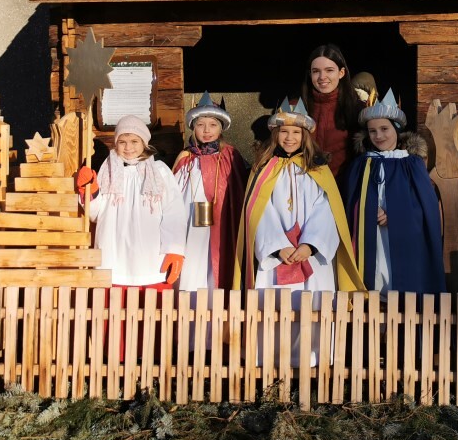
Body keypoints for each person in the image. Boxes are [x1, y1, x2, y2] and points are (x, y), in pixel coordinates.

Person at [234, 98, 364, 365]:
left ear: (305, 136)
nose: (290, 137)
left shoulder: (318, 169)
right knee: (273, 307)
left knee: (314, 306)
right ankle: (272, 361)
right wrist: (277, 245)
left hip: (311, 258)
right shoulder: (263, 169)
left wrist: (310, 244)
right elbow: (259, 211)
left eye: (296, 132)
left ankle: (313, 360)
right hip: (277, 256)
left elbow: (326, 208)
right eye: (284, 131)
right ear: (275, 134)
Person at [344, 89, 445, 296]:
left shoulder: (412, 164)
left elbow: (425, 207)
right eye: (372, 131)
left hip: (404, 238)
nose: (379, 136)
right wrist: (368, 209)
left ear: (396, 129)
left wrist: (396, 216)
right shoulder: (361, 165)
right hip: (370, 236)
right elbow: (349, 202)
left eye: (384, 129)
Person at [76, 115, 187, 289]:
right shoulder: (108, 171)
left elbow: (174, 213)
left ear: (144, 143)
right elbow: (96, 214)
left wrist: (174, 250)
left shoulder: (159, 171)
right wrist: (89, 190)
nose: (128, 147)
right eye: (122, 142)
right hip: (114, 255)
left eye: (134, 141)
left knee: (153, 305)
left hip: (151, 258)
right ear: (116, 144)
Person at [172, 92, 248, 291]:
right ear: (193, 127)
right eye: (201, 125)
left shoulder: (230, 155)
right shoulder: (185, 157)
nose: (206, 130)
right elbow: (172, 194)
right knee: (192, 260)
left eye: (213, 125)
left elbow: (239, 192)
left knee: (218, 258)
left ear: (221, 128)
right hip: (190, 221)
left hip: (222, 222)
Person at [301, 44, 363, 180]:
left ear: (341, 73)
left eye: (329, 70)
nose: (322, 77)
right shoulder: (297, 107)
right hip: (304, 185)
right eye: (316, 71)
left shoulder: (357, 108)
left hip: (343, 186)